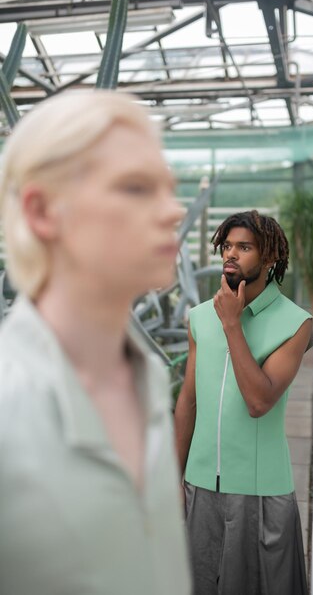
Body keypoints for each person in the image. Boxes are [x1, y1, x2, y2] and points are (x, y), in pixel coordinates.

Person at [0, 91, 191, 595]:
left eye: (169, 189)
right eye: (135, 188)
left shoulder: (147, 378)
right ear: (42, 211)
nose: (173, 210)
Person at [175, 210, 313, 595]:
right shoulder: (200, 318)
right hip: (199, 486)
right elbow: (187, 402)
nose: (231, 255)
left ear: (270, 257)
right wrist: (175, 476)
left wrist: (232, 325)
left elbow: (259, 400)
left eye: (244, 247)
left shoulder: (296, 323)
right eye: (227, 246)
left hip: (260, 494)